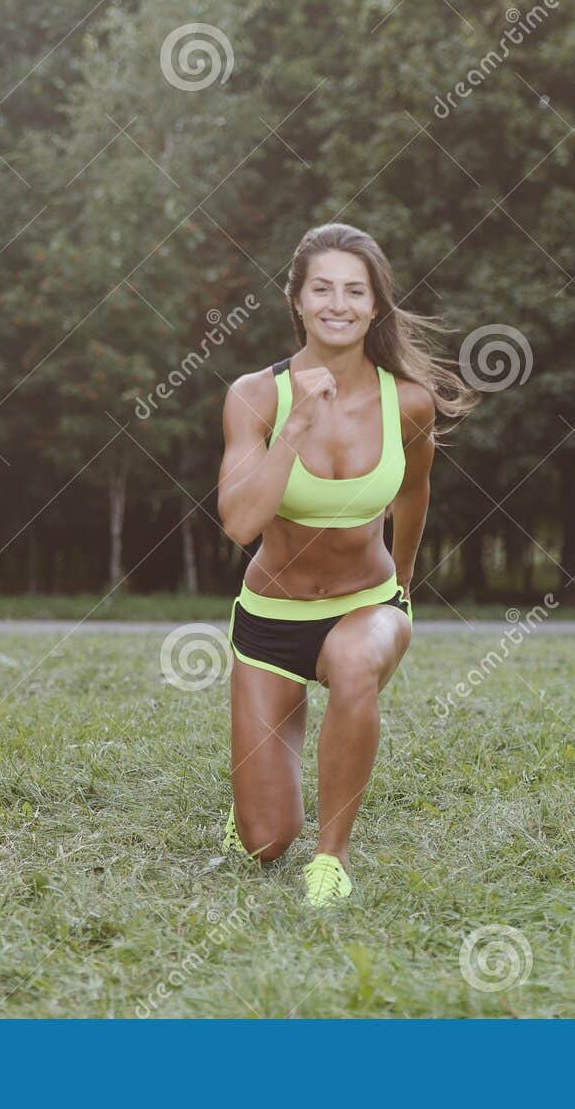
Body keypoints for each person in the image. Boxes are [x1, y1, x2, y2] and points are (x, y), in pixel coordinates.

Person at [215, 222, 477, 907]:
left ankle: (331, 860)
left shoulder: (408, 402)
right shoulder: (254, 396)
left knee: (355, 658)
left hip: (365, 605)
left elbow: (415, 492)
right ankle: (261, 796)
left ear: (377, 305)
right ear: (296, 300)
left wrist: (405, 588)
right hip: (270, 621)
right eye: (322, 288)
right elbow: (240, 521)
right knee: (264, 840)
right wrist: (295, 425)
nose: (338, 303)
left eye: (355, 291)